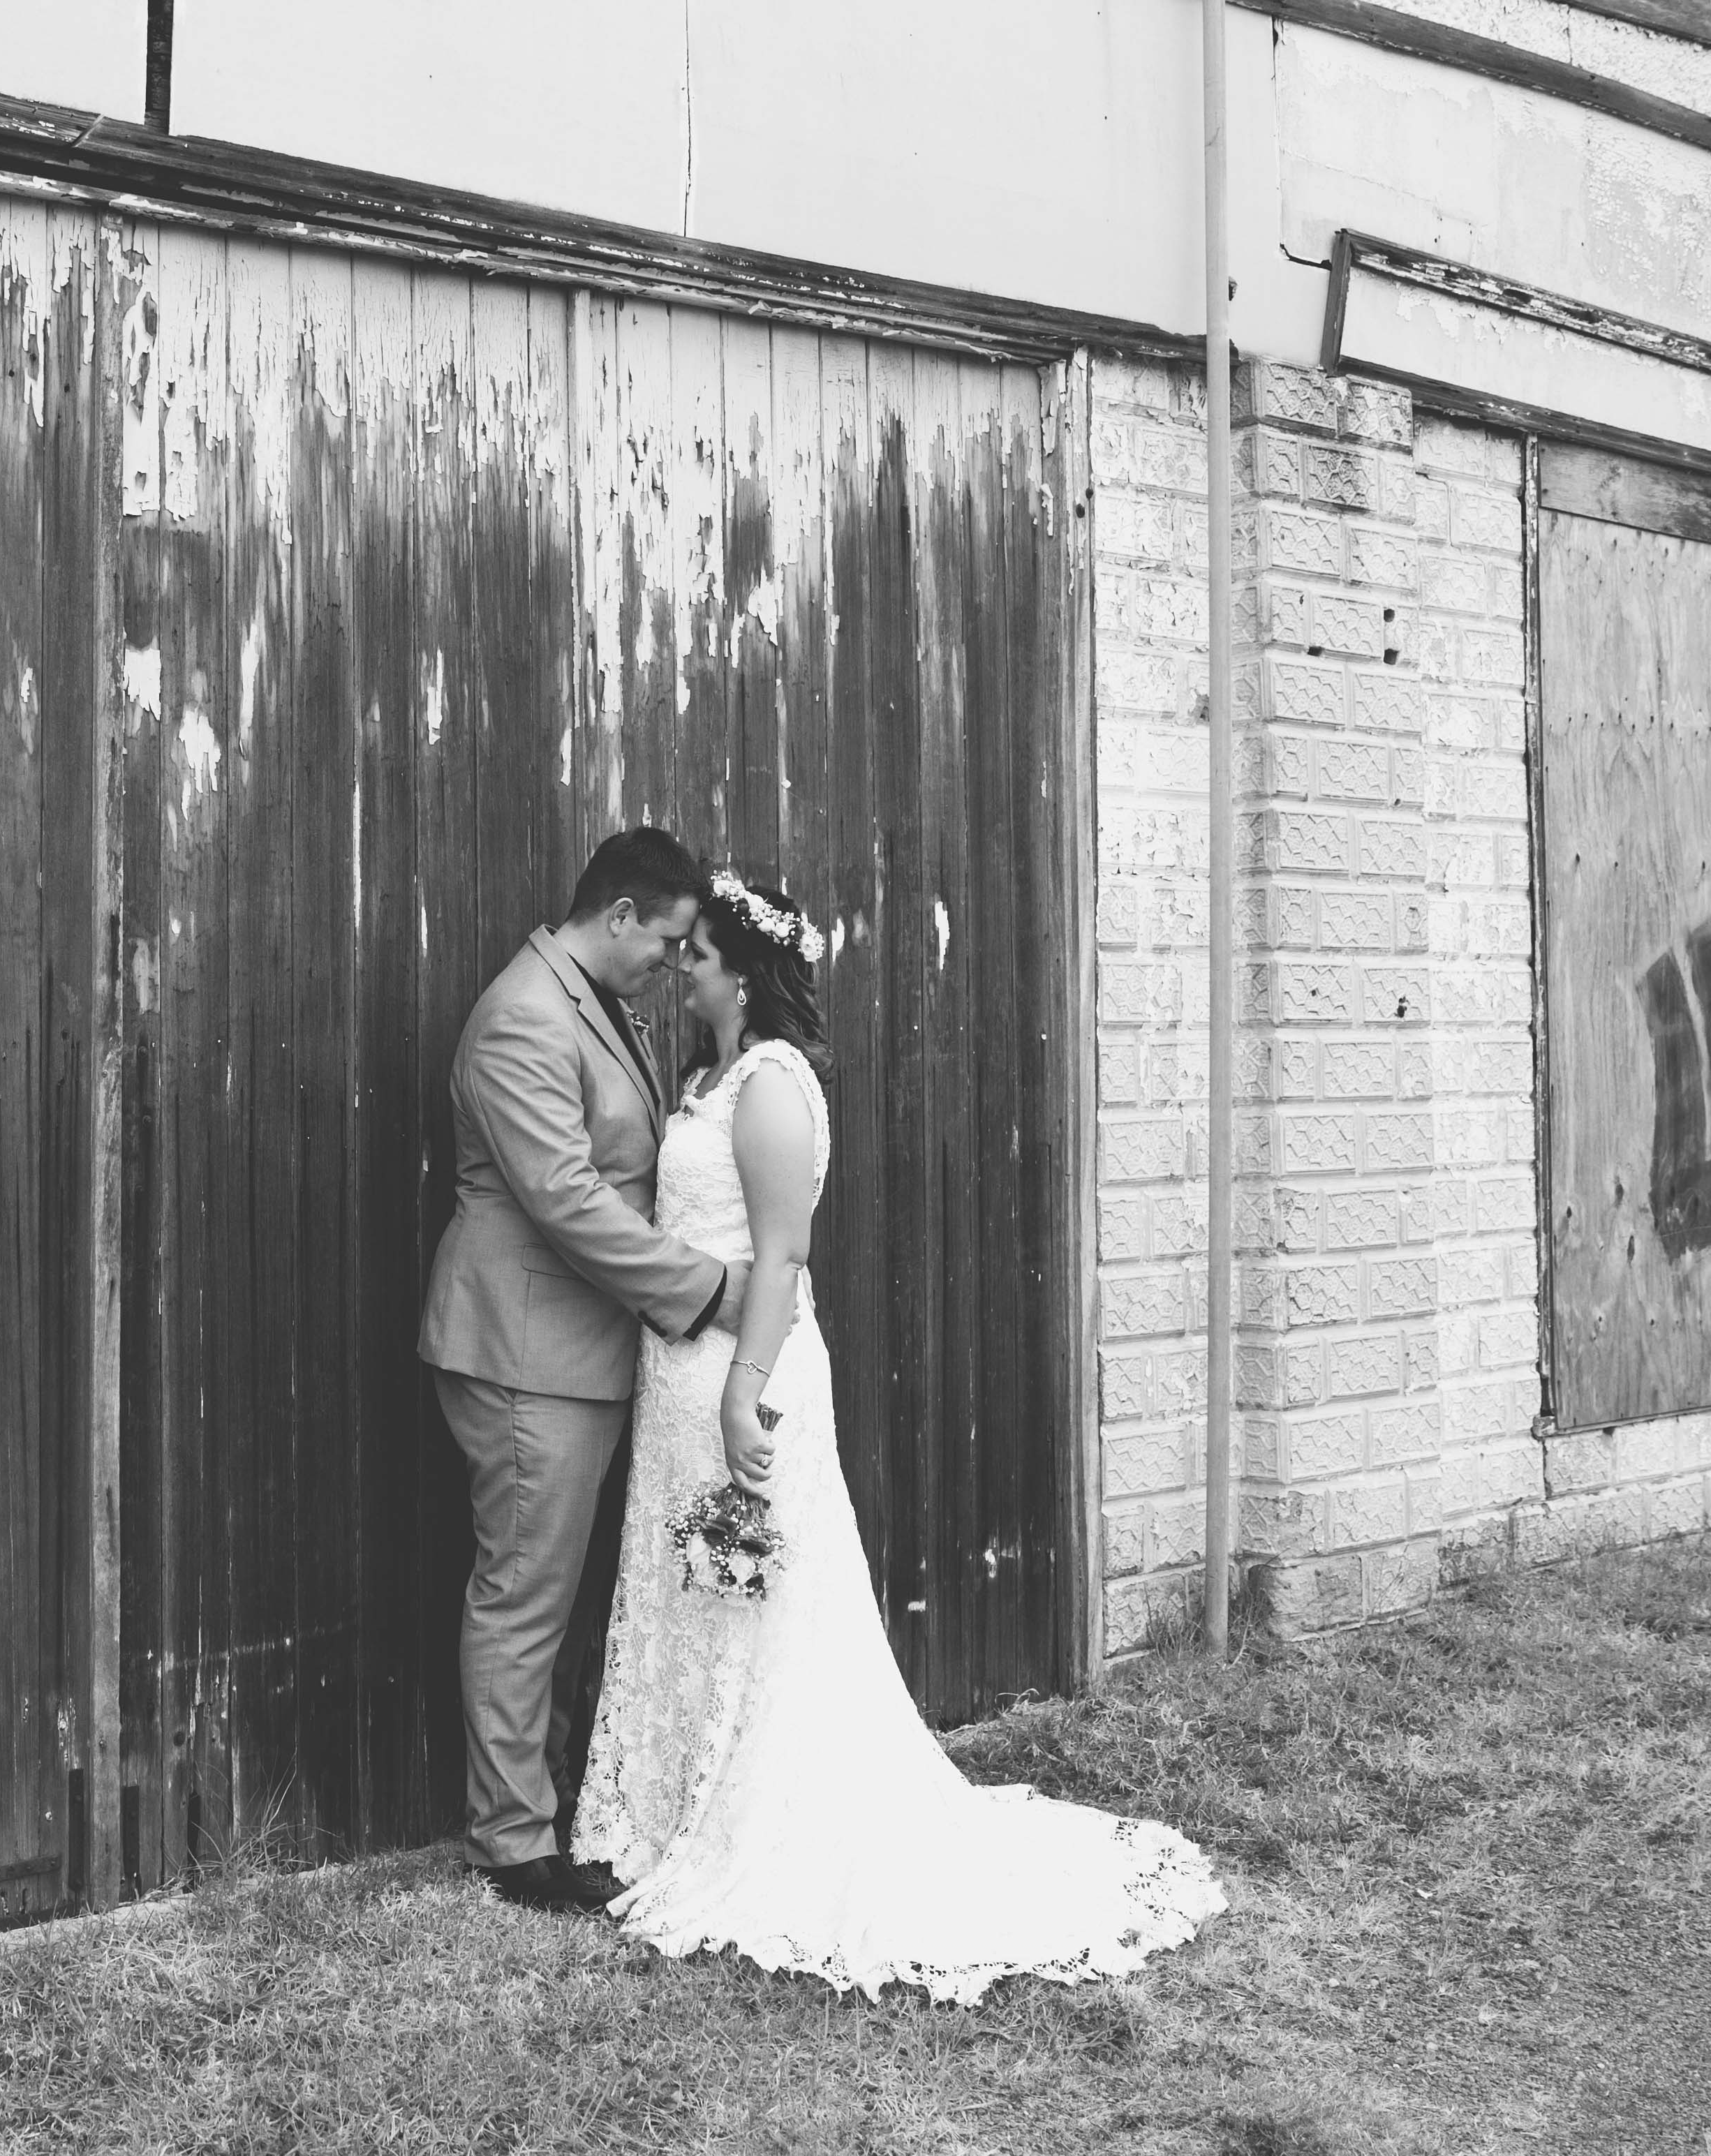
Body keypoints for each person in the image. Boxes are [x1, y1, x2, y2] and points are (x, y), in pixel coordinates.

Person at [572, 868, 1227, 1999]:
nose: (681, 969)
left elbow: (781, 1254)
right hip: (673, 1374)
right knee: (694, 1588)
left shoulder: (771, 1086)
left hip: (741, 1374)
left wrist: (742, 1392)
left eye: (698, 954)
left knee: (758, 1593)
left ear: (741, 972)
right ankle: (677, 1804)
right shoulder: (702, 1077)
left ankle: (761, 1814)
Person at [420, 827, 746, 1916]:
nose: (669, 965)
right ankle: (512, 1841)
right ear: (617, 915)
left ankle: (552, 1803)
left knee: (558, 1593)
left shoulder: (597, 1001)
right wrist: (706, 1288)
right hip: (525, 1349)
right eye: (663, 941)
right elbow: (566, 1199)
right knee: (524, 1591)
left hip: (584, 1345)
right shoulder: (522, 1014)